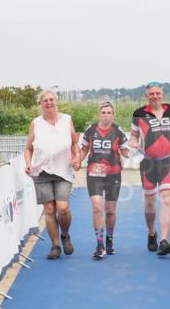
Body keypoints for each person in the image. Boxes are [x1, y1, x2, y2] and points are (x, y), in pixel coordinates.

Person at [23, 91, 80, 260]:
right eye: (45, 100)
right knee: (49, 210)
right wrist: (28, 163)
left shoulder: (67, 120)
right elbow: (28, 148)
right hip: (41, 172)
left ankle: (65, 235)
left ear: (56, 102)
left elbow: (75, 143)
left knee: (63, 208)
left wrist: (77, 157)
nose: (49, 103)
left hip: (63, 171)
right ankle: (55, 245)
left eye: (51, 99)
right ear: (41, 104)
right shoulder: (36, 123)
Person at [130, 82, 170, 256]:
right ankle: (152, 233)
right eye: (151, 93)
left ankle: (164, 241)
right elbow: (134, 134)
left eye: (157, 93)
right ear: (146, 96)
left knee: (166, 200)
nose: (155, 96)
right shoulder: (139, 113)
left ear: (162, 94)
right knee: (150, 202)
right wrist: (133, 142)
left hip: (167, 162)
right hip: (149, 164)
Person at [79, 100, 130, 259]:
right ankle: (99, 244)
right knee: (96, 207)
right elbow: (84, 149)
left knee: (110, 210)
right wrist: (77, 160)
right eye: (103, 112)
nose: (106, 115)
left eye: (109, 113)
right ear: (99, 114)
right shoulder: (90, 130)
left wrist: (132, 150)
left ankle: (109, 239)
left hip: (113, 174)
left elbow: (125, 151)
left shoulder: (118, 131)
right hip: (94, 173)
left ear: (113, 115)